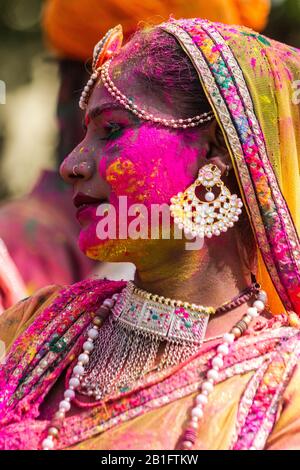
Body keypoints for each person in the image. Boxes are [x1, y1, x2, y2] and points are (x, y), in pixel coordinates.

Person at [0, 17, 299, 450]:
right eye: (85, 132)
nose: (72, 164)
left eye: (113, 129)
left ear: (213, 152)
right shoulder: (40, 327)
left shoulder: (282, 388)